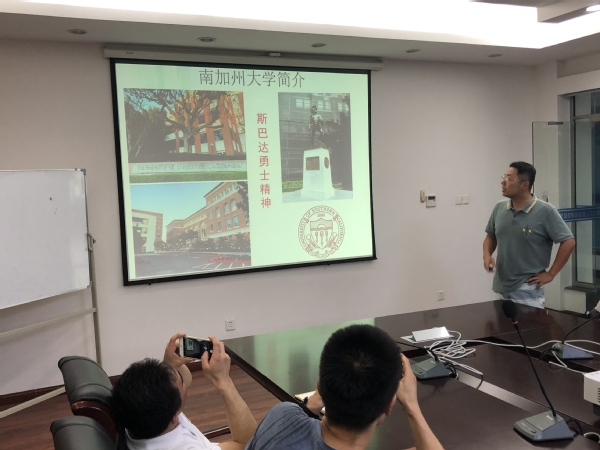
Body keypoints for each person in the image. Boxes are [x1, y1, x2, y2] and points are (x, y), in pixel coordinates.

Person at [244, 324, 443, 450]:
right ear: (390, 404)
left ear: (319, 387)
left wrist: (323, 393)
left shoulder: (281, 415)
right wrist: (411, 406)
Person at [112, 333, 257, 450]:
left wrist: (170, 363)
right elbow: (248, 444)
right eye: (181, 383)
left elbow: (183, 383)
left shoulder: (137, 414)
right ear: (175, 418)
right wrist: (223, 380)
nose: (184, 382)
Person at [483, 161, 575, 308]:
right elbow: (491, 236)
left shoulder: (545, 211)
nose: (503, 182)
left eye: (508, 178)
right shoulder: (499, 208)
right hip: (500, 287)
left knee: (529, 324)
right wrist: (487, 255)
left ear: (524, 184)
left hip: (527, 288)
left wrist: (551, 274)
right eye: (503, 177)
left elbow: (568, 241)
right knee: (501, 323)